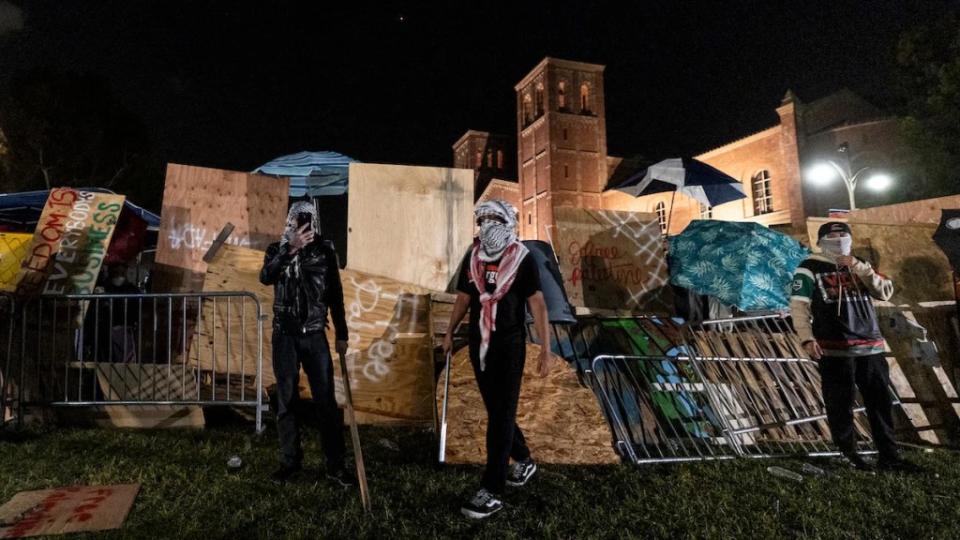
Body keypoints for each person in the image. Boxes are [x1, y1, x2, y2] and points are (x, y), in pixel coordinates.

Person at [442, 200, 554, 519]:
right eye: (483, 218)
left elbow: (538, 303)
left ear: (507, 221)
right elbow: (465, 296)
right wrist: (450, 332)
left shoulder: (522, 258)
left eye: (494, 218)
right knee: (497, 410)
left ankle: (492, 490)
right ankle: (524, 459)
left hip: (509, 344)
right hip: (480, 341)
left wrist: (545, 349)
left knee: (501, 415)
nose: (488, 224)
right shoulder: (474, 256)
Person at [789, 222, 919, 473]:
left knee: (880, 403)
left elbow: (885, 293)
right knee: (840, 404)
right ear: (821, 240)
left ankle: (889, 457)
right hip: (833, 348)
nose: (838, 240)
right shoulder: (809, 268)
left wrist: (861, 269)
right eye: (832, 236)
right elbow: (799, 306)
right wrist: (806, 337)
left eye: (843, 235)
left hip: (871, 346)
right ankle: (849, 454)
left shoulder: (860, 264)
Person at [259, 201, 354, 486]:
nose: (301, 229)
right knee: (287, 400)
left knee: (325, 402)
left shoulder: (325, 252)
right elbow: (265, 277)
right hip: (284, 335)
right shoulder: (277, 249)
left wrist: (342, 333)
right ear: (288, 223)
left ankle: (335, 465)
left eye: (306, 224)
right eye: (295, 224)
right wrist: (291, 248)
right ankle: (290, 462)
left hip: (314, 335)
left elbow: (335, 294)